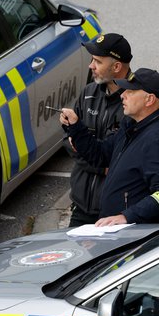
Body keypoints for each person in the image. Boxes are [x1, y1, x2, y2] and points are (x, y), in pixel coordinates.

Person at [60, 68, 159, 226]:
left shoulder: (156, 140)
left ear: (149, 100)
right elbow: (100, 155)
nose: (122, 95)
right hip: (115, 230)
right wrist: (76, 126)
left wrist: (128, 216)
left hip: (134, 234)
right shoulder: (130, 125)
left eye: (130, 91)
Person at [61, 33, 132, 226]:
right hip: (81, 206)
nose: (91, 66)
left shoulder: (134, 102)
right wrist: (102, 167)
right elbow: (68, 144)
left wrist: (86, 149)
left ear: (117, 67)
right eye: (92, 59)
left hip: (115, 213)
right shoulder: (88, 93)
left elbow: (123, 160)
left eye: (98, 61)